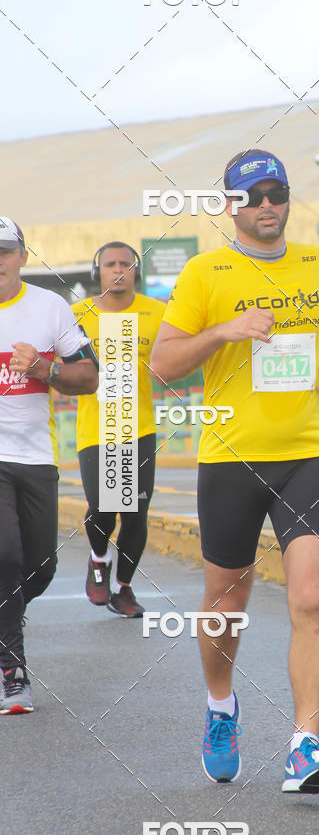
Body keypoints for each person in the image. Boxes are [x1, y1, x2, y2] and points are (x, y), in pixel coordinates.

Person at [151, 150, 319, 793]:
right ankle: (220, 707)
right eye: (253, 194)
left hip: (306, 451)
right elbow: (162, 363)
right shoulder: (204, 273)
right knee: (227, 603)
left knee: (313, 597)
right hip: (231, 459)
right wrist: (226, 331)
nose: (268, 204)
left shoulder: (318, 265)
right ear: (230, 206)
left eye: (277, 192)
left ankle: (305, 746)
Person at [0, 216, 98, 714]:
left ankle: (3, 621)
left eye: (4, 251)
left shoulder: (49, 307)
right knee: (5, 556)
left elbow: (88, 376)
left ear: (22, 255)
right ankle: (13, 672)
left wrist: (42, 367)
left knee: (38, 569)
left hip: (36, 456)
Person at [72, 242, 165, 618]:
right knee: (103, 508)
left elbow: (178, 354)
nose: (118, 270)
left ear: (135, 271)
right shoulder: (78, 314)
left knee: (135, 514)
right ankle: (98, 559)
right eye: (109, 264)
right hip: (95, 428)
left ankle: (123, 589)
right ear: (98, 272)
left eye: (125, 264)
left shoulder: (158, 313)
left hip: (138, 427)